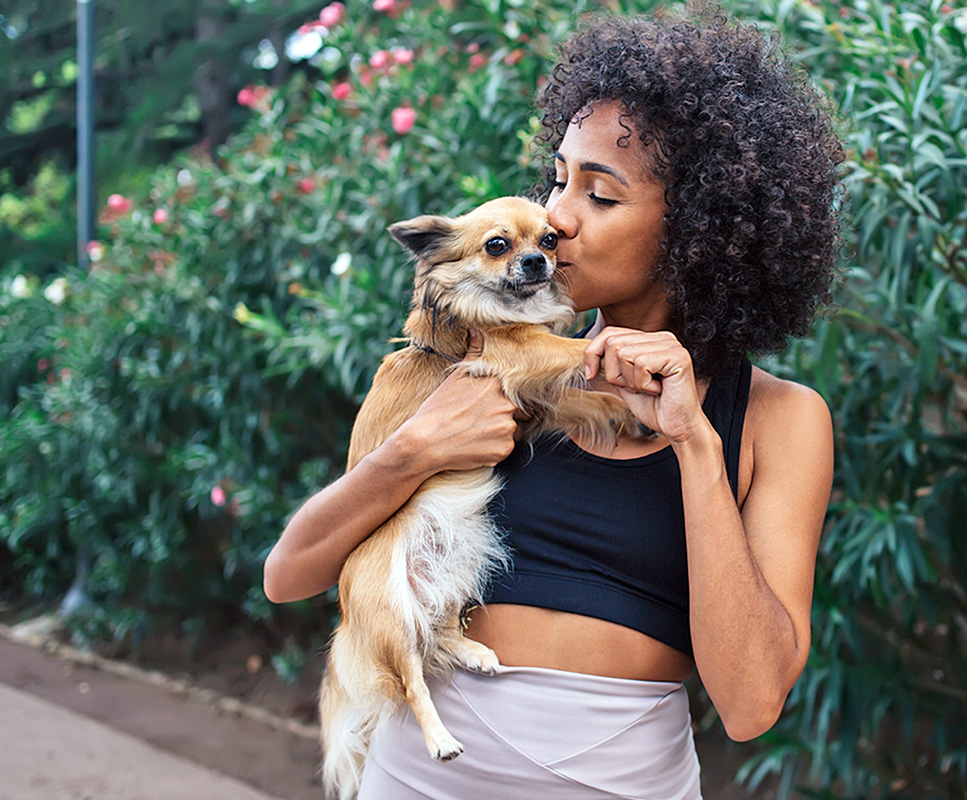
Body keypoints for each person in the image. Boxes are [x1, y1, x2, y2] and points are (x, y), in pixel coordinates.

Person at [264, 4, 843, 798]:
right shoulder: (475, 360)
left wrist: (695, 444)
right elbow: (290, 573)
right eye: (560, 177)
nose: (557, 218)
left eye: (600, 196)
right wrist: (417, 449)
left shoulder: (780, 421)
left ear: (698, 232)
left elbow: (750, 704)